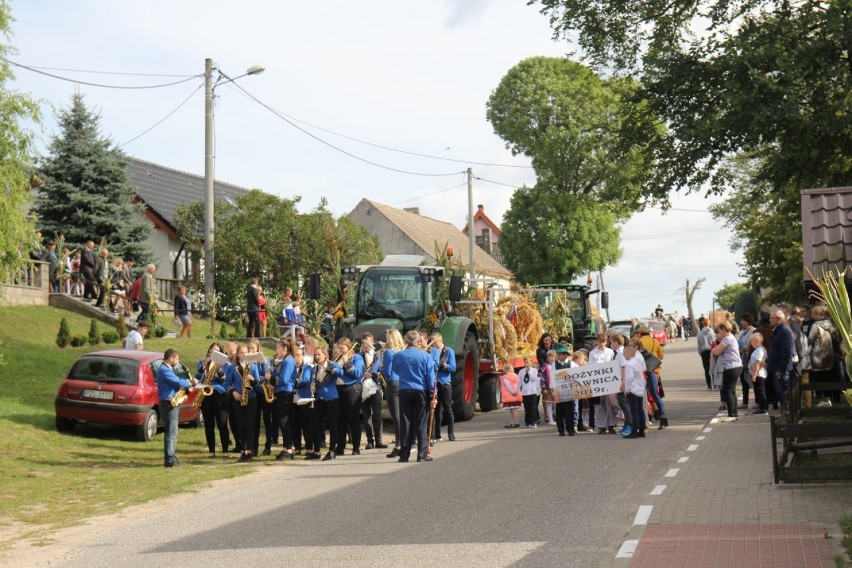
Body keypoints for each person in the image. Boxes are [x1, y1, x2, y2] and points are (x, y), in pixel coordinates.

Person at [393, 330, 437, 462]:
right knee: (421, 422)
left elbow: (395, 370)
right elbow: (430, 377)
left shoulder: (398, 355)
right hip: (420, 390)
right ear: (418, 342)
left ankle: (404, 455)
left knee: (405, 422)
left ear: (405, 341)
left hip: (404, 389)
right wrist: (433, 394)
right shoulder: (425, 356)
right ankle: (421, 454)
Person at [156, 348, 197, 467]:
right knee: (171, 432)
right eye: (177, 359)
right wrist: (192, 382)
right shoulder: (164, 370)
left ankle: (171, 456)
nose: (178, 362)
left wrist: (185, 389)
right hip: (168, 403)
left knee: (173, 431)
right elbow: (178, 382)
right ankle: (169, 459)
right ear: (171, 358)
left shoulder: (167, 369)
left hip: (171, 402)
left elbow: (175, 385)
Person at [225, 344, 261, 462]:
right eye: (241, 353)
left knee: (250, 425)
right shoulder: (231, 368)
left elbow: (258, 384)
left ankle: (249, 451)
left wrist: (253, 380)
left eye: (246, 353)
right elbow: (227, 383)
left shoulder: (253, 367)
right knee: (241, 425)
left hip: (251, 398)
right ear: (238, 355)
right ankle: (243, 450)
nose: (244, 355)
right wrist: (233, 392)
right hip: (238, 398)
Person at [196, 342, 231, 456]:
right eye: (212, 351)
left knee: (222, 423)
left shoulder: (225, 364)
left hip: (220, 394)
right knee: (209, 424)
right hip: (206, 395)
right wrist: (203, 367)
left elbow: (226, 380)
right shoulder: (203, 362)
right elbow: (197, 378)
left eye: (217, 351)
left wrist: (219, 370)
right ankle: (211, 451)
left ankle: (225, 450)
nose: (214, 353)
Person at [331, 337, 364, 456]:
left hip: (351, 389)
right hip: (338, 389)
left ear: (349, 347)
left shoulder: (357, 357)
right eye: (338, 348)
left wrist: (347, 363)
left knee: (353, 418)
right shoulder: (337, 358)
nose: (340, 350)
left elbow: (357, 374)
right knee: (340, 419)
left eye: (342, 348)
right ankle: (340, 447)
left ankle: (356, 447)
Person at [808, 306, 841, 407]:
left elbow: (810, 339)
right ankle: (836, 397)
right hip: (833, 355)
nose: (812, 316)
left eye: (813, 314)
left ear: (818, 314)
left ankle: (826, 399)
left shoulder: (816, 325)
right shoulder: (833, 324)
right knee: (834, 377)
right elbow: (838, 338)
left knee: (822, 379)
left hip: (820, 356)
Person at [310, 346, 339, 461]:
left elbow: (340, 372)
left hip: (331, 398)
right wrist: (312, 387)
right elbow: (314, 380)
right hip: (319, 398)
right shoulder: (315, 368)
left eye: (319, 354)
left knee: (332, 425)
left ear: (325, 355)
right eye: (315, 355)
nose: (317, 357)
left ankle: (332, 451)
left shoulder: (332, 364)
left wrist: (332, 370)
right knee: (315, 424)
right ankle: (316, 451)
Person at [360, 332, 387, 449]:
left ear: (373, 341)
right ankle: (369, 440)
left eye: (368, 342)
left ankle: (379, 440)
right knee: (366, 415)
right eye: (364, 343)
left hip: (376, 387)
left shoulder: (379, 355)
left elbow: (384, 369)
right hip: (363, 387)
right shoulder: (359, 355)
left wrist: (375, 374)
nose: (366, 345)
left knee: (377, 414)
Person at [712, 321, 742, 422]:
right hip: (736, 367)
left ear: (724, 330)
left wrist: (717, 344)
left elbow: (716, 352)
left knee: (728, 391)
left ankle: (732, 414)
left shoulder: (727, 339)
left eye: (719, 331)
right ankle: (734, 413)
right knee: (732, 391)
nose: (718, 333)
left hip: (731, 368)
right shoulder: (731, 337)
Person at [271, 339, 296, 460]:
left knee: (284, 421)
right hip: (281, 392)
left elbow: (284, 380)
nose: (276, 350)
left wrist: (271, 378)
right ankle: (286, 448)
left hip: (286, 392)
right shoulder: (283, 361)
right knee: (281, 421)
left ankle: (289, 449)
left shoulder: (288, 361)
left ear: (285, 349)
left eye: (278, 348)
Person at [638, 325, 667, 428]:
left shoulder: (639, 342)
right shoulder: (655, 342)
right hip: (654, 370)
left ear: (640, 334)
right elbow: (661, 356)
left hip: (643, 372)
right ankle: (663, 417)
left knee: (642, 395)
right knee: (655, 394)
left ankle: (647, 417)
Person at [382, 329, 406, 458]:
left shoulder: (389, 352)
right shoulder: (403, 351)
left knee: (396, 416)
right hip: (403, 383)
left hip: (392, 383)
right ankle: (403, 442)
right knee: (402, 415)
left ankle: (398, 445)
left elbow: (387, 371)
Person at [766, 309, 794, 410]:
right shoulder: (778, 331)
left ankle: (788, 414)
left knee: (784, 392)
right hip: (775, 366)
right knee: (780, 393)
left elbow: (786, 352)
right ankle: (785, 413)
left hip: (780, 368)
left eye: (772, 318)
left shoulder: (784, 331)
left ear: (779, 319)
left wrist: (781, 369)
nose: (770, 320)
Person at [430, 332, 456, 441]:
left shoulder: (448, 351)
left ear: (438, 341)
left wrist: (444, 365)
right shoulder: (432, 351)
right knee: (436, 410)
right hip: (435, 383)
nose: (432, 345)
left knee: (448, 409)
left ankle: (451, 433)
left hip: (445, 383)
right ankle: (437, 434)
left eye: (433, 342)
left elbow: (453, 367)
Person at [589, 333, 617, 434]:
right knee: (599, 404)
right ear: (597, 342)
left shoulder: (610, 352)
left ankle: (611, 425)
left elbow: (613, 364)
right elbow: (590, 367)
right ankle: (601, 425)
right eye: (599, 342)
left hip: (608, 380)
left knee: (609, 404)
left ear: (606, 342)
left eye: (603, 342)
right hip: (597, 382)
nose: (601, 344)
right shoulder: (592, 353)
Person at [620, 345, 647, 439]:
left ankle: (634, 431)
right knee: (640, 410)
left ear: (628, 354)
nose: (623, 356)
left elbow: (629, 378)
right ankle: (642, 430)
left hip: (633, 390)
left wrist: (626, 389)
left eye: (624, 354)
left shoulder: (629, 364)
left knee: (634, 411)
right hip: (639, 389)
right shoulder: (636, 362)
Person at [291, 346, 314, 455]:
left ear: (303, 356)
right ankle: (297, 448)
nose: (296, 358)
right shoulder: (290, 367)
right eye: (294, 355)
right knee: (294, 424)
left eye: (298, 355)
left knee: (306, 424)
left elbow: (306, 381)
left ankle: (309, 447)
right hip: (292, 398)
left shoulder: (307, 368)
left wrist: (294, 381)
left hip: (304, 398)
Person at [552, 343, 575, 436]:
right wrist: (552, 390)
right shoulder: (554, 364)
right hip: (558, 391)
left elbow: (576, 376)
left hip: (569, 391)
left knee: (569, 411)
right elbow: (552, 377)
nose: (558, 355)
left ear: (565, 354)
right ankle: (561, 430)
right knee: (559, 412)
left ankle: (570, 429)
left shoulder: (572, 364)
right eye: (557, 353)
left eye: (560, 353)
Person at [737, 313, 756, 409]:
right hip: (741, 359)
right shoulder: (741, 332)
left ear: (748, 321)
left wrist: (739, 350)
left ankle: (758, 402)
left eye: (743, 320)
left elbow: (749, 345)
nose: (741, 322)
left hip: (749, 359)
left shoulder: (753, 331)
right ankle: (745, 402)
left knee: (753, 380)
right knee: (743, 381)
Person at [748, 333, 769, 415]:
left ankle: (763, 408)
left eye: (752, 341)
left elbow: (757, 362)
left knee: (760, 391)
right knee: (759, 391)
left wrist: (754, 374)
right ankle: (762, 407)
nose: (751, 343)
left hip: (759, 374)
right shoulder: (760, 350)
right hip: (759, 374)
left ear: (757, 341)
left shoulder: (759, 350)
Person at [518, 355, 540, 428]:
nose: (526, 364)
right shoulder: (521, 371)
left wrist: (529, 371)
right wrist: (516, 390)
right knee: (527, 408)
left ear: (531, 362)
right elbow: (519, 382)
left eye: (527, 362)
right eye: (525, 362)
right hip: (525, 392)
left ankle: (533, 422)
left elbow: (533, 379)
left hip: (532, 392)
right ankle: (527, 422)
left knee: (533, 408)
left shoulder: (534, 370)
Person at [500, 362, 521, 428]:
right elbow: (518, 384)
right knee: (514, 410)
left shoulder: (505, 378)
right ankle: (513, 423)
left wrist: (512, 392)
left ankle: (515, 423)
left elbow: (508, 386)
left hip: (509, 396)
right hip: (516, 395)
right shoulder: (516, 376)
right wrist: (515, 391)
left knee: (512, 411)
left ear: (506, 370)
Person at [697, 317, 715, 390]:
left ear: (703, 324)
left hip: (704, 352)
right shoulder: (712, 333)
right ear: (709, 324)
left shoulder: (700, 333)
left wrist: (700, 352)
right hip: (712, 351)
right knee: (713, 367)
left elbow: (699, 345)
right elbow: (714, 342)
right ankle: (715, 384)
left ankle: (709, 385)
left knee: (706, 369)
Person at [540, 349, 557, 425]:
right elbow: (542, 377)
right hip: (548, 387)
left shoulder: (557, 365)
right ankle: (550, 419)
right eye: (549, 357)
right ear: (547, 358)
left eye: (553, 357)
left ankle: (556, 417)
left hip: (556, 387)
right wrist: (544, 388)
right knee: (549, 404)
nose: (551, 358)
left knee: (556, 403)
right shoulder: (545, 366)